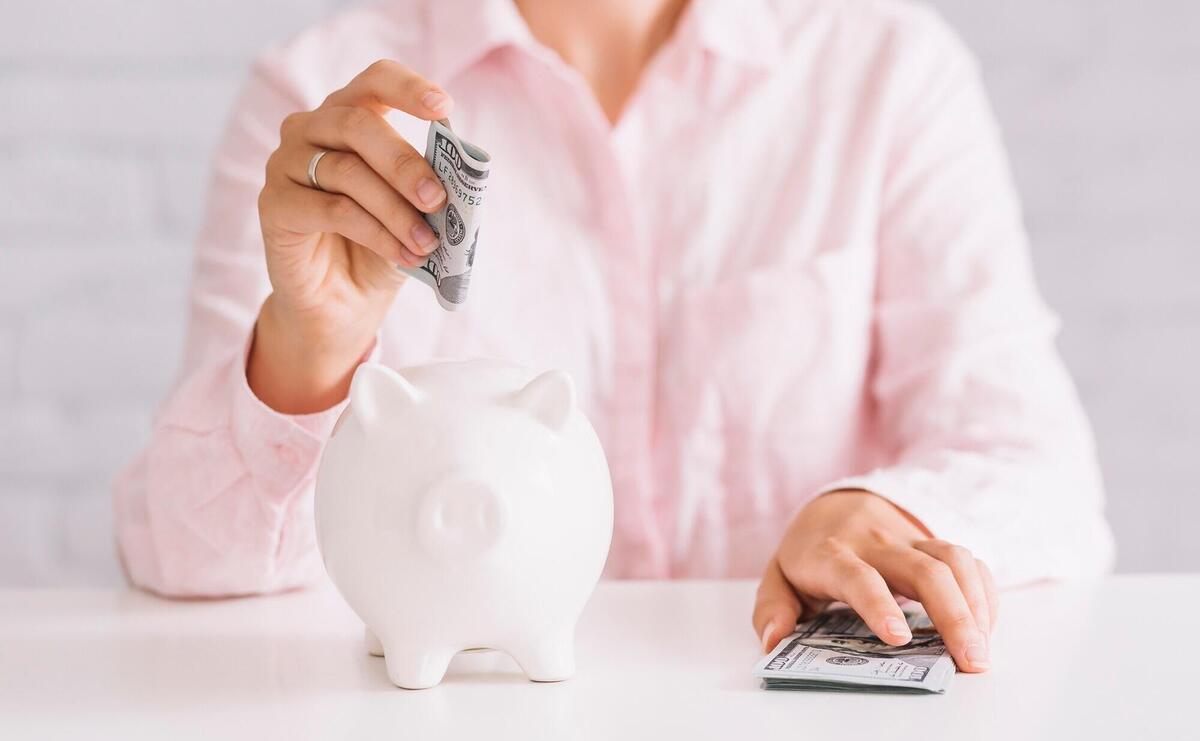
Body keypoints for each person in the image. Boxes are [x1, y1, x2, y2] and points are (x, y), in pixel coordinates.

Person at [113, 0, 1115, 675]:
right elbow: (181, 556)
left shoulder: (886, 73)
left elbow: (1042, 470)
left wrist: (882, 511)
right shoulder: (325, 107)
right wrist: (311, 345)